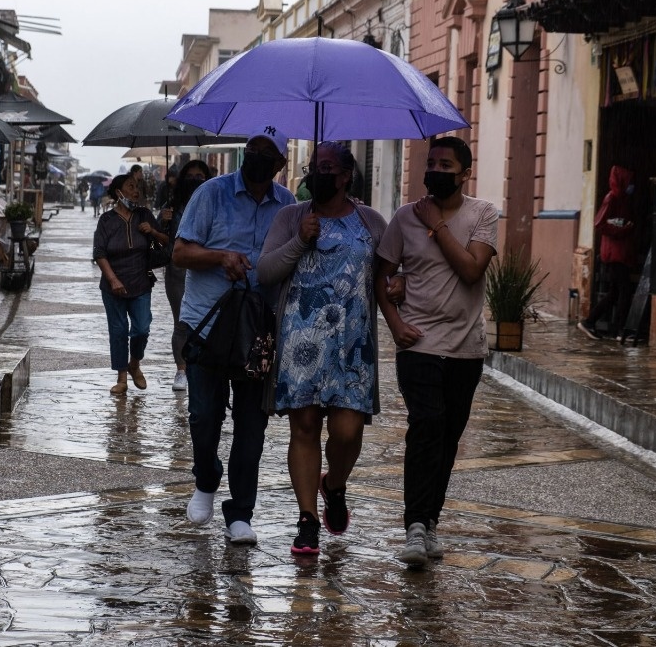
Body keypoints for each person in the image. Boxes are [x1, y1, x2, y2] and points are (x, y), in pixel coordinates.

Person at [374, 136, 498, 568]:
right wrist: (395, 323)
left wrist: (437, 226)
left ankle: (429, 522)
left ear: (465, 174)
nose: (436, 171)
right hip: (419, 345)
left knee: (447, 438)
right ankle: (414, 526)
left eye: (446, 165)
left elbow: (472, 269)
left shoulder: (483, 214)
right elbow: (381, 275)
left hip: (466, 350)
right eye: (432, 163)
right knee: (426, 426)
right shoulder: (404, 218)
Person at [258, 141, 387, 556]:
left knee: (348, 431)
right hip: (301, 340)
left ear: (347, 176)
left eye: (328, 168)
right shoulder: (291, 217)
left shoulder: (370, 221)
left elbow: (386, 275)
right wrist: (299, 240)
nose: (318, 174)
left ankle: (334, 484)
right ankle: (307, 520)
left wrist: (399, 290)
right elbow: (265, 271)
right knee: (305, 427)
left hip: (352, 343)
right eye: (314, 166)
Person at [173, 125, 295, 546]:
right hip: (207, 324)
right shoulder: (211, 193)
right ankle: (206, 477)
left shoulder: (288, 206)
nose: (256, 156)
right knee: (204, 415)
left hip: (258, 331)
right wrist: (220, 256)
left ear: (280, 163)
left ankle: (241, 511)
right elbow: (180, 252)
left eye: (266, 152)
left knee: (251, 425)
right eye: (252, 148)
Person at [92, 174, 168, 395]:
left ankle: (135, 364)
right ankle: (122, 378)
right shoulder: (106, 220)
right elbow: (99, 253)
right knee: (118, 331)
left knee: (142, 328)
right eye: (131, 186)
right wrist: (113, 279)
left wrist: (153, 231)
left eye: (138, 187)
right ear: (119, 192)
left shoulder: (144, 215)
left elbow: (166, 242)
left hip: (141, 283)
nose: (136, 191)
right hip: (113, 286)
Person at [158, 160, 211, 392]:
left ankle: (204, 366)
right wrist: (163, 221)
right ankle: (181, 370)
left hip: (207, 269)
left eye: (200, 176)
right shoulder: (173, 205)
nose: (195, 180)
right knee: (181, 321)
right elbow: (158, 235)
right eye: (190, 176)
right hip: (177, 270)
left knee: (207, 320)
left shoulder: (214, 203)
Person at [578, 165, 636, 340]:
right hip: (614, 255)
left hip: (619, 253)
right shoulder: (611, 198)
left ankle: (591, 322)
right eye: (628, 182)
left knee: (615, 292)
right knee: (623, 291)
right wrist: (623, 229)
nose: (631, 186)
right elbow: (600, 224)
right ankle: (619, 330)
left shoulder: (622, 200)